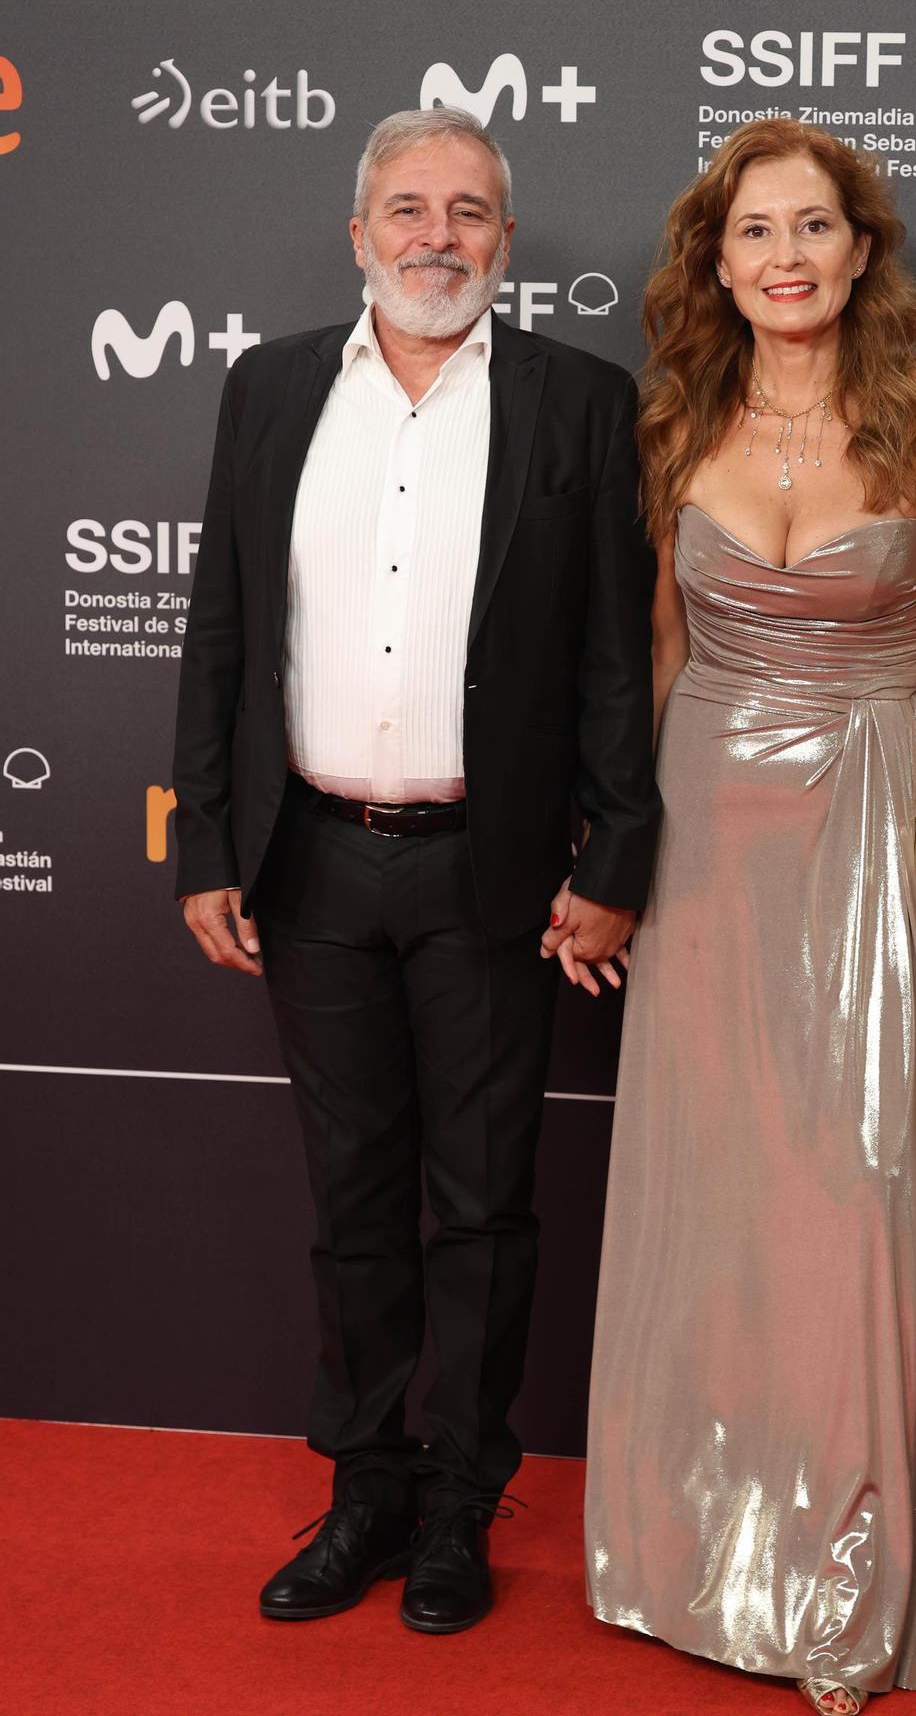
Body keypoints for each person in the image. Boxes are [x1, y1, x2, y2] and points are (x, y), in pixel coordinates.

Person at [582, 119, 916, 1710]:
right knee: (720, 1208)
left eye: (813, 228)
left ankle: (847, 1578)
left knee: (850, 1206)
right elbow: (668, 655)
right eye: (755, 233)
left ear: (860, 249)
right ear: (719, 260)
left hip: (864, 834)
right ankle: (693, 1557)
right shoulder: (678, 415)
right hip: (704, 846)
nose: (785, 258)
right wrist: (619, 860)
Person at [171, 106, 660, 1635]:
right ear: (360, 231)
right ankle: (365, 1489)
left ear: (506, 242)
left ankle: (461, 1504)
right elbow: (223, 631)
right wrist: (203, 839)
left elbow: (612, 659)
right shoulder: (268, 390)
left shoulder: (584, 406)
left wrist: (620, 851)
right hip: (309, 859)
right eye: (406, 208)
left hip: (493, 873)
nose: (434, 235)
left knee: (485, 1205)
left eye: (467, 211)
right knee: (354, 1199)